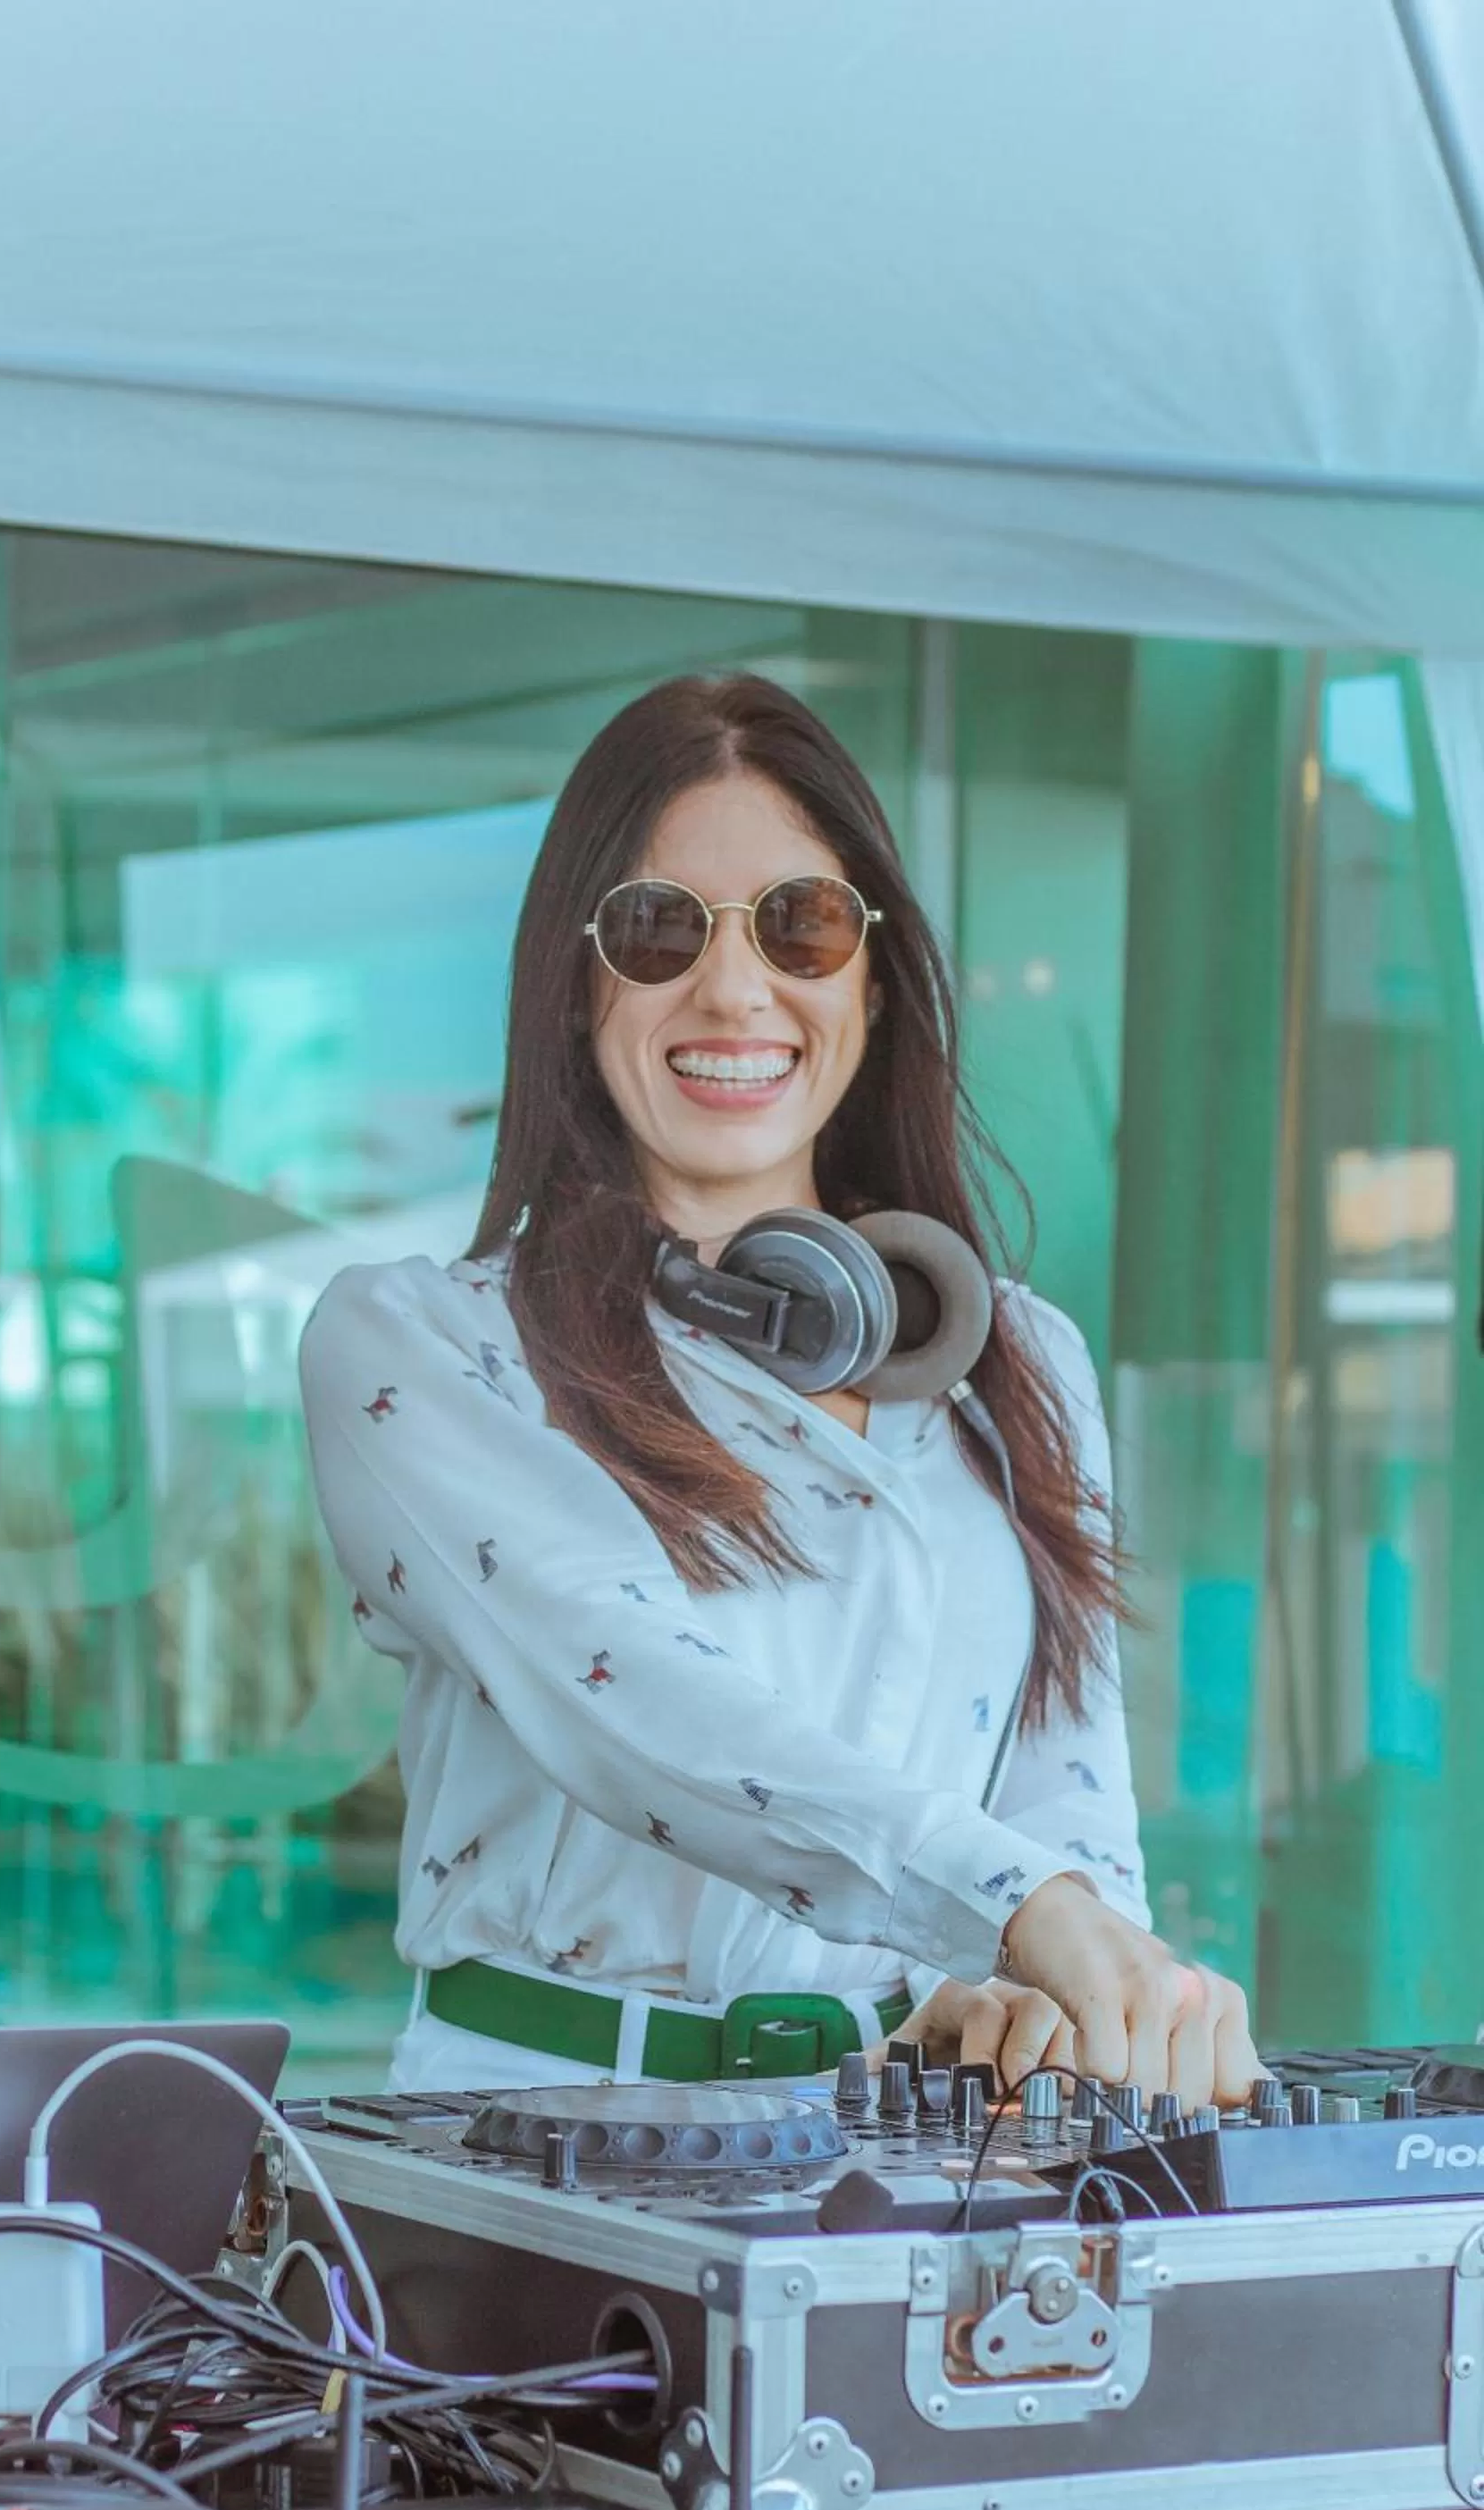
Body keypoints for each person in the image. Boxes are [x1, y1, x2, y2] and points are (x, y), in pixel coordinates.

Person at [299, 673, 1259, 2111]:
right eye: (658, 929)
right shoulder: (424, 1348)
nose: (736, 989)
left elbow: (1071, 1795)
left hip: (903, 2142)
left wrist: (1090, 1990)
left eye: (802, 927)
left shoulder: (1022, 1362)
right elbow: (642, 1699)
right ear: (577, 985)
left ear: (870, 982)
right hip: (537, 2128)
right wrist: (1021, 1907)